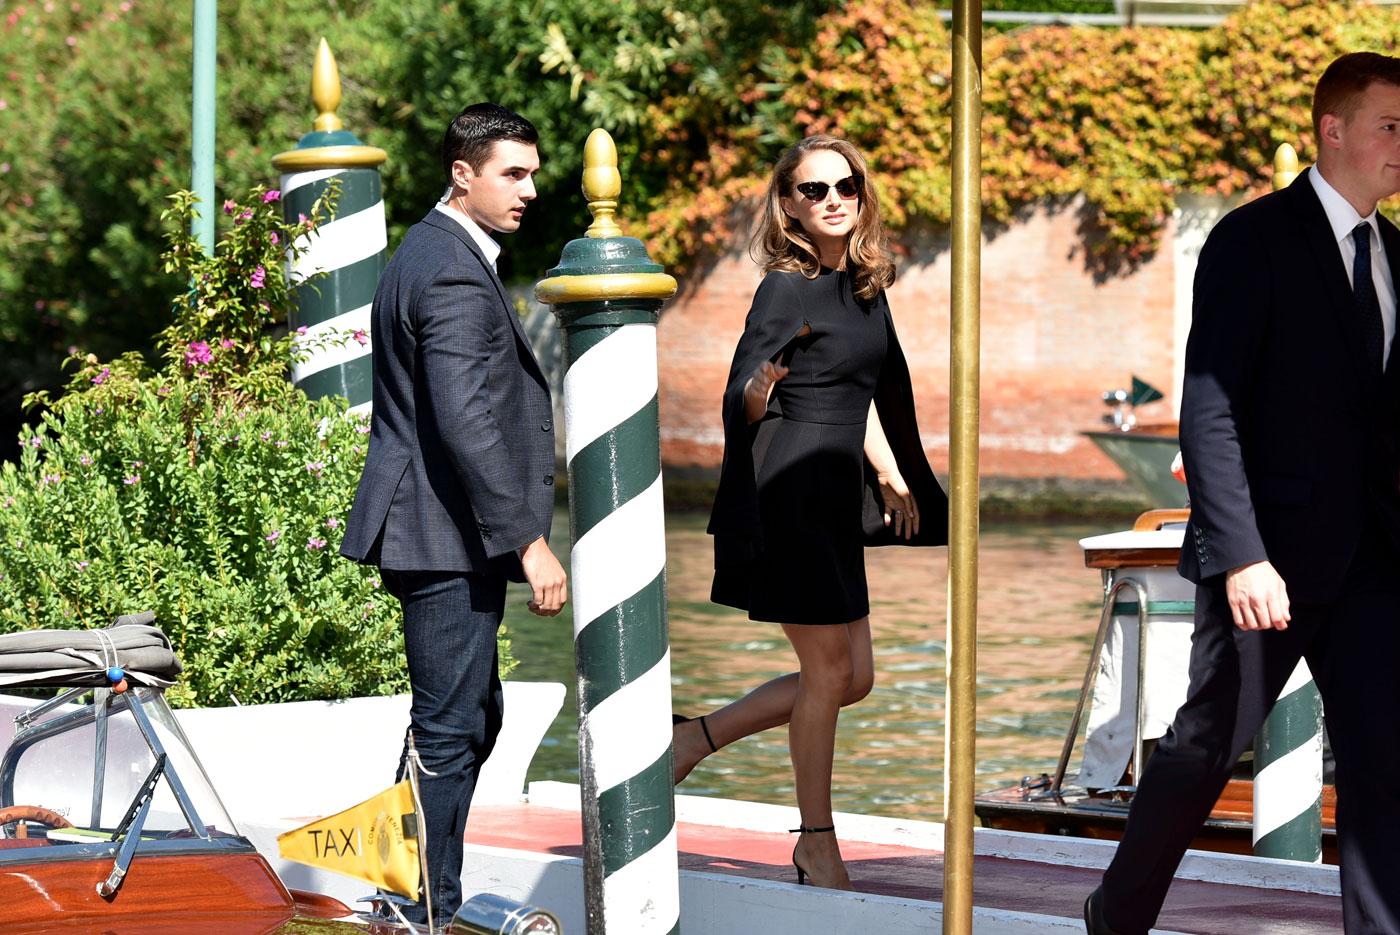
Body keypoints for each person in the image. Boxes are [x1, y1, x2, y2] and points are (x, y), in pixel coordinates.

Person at [1085, 52, 1400, 935]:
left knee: (1385, 759)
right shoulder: (1251, 239)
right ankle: (1117, 914)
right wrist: (1244, 557)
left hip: (1374, 561)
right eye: (1391, 126)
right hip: (1267, 565)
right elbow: (1209, 411)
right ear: (1332, 130)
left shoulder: (1396, 255)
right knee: (1202, 752)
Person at [686, 135, 948, 890]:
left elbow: (862, 388)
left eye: (846, 185)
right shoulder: (785, 287)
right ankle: (816, 839)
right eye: (813, 189)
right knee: (829, 669)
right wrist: (758, 392)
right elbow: (746, 386)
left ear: (863, 194)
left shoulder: (865, 284)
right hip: (790, 488)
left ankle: (697, 738)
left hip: (837, 490)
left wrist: (891, 467)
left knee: (854, 676)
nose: (832, 198)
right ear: (789, 204)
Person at [340, 103, 567, 926]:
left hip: (437, 529)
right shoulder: (446, 268)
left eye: (533, 172)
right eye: (514, 172)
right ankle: (422, 906)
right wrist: (530, 543)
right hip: (441, 535)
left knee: (470, 715)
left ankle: (415, 888)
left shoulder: (438, 252)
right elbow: (465, 416)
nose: (530, 189)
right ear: (462, 173)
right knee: (448, 727)